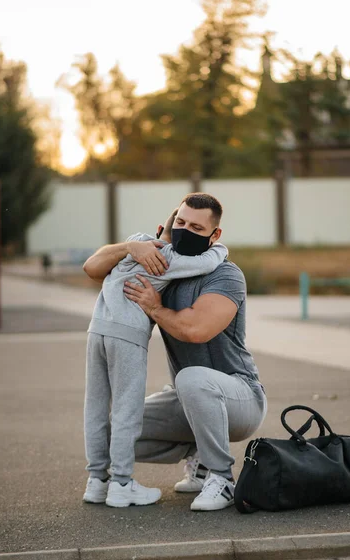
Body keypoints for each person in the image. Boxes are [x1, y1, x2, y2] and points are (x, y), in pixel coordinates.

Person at [84, 192, 267, 512]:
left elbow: (195, 330)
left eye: (196, 227)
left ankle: (221, 477)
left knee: (192, 379)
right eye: (180, 222)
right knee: (117, 429)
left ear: (215, 235)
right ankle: (198, 456)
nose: (185, 230)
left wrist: (154, 308)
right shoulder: (162, 265)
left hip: (240, 398)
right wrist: (130, 247)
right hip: (188, 398)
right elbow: (93, 266)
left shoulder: (226, 274)